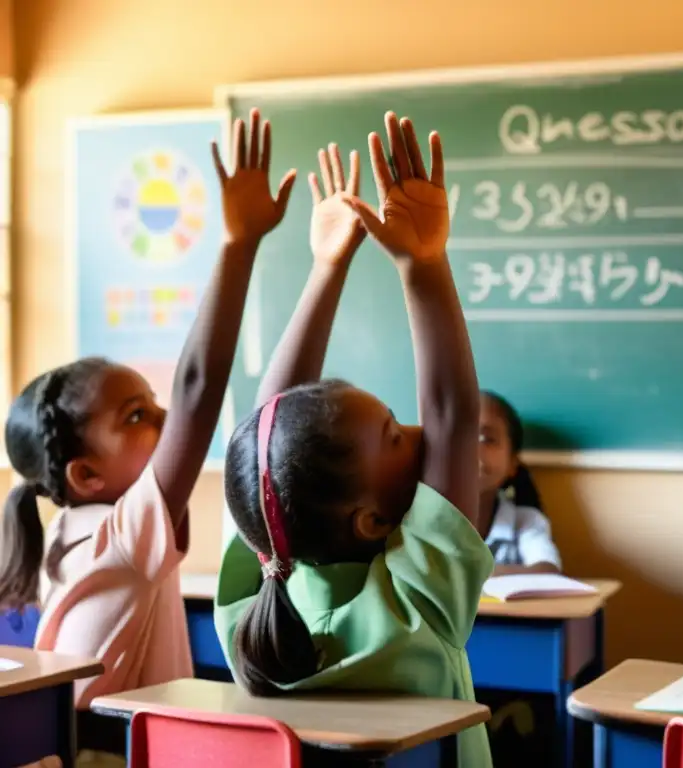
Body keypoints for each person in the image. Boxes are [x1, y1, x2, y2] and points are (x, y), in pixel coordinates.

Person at [0, 109, 294, 761]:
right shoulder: (116, 536)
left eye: (154, 405)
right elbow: (199, 390)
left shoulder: (76, 527)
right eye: (136, 416)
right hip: (102, 752)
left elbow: (244, 410)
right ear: (85, 475)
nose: (166, 422)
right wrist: (237, 244)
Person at [214, 114, 493, 768]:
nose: (422, 433)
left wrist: (326, 266)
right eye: (396, 437)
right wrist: (423, 264)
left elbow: (266, 445)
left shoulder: (249, 610)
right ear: (369, 520)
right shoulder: (417, 608)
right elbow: (455, 413)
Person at [477, 391, 560, 574]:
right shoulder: (420, 520)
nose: (471, 447)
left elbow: (547, 570)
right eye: (457, 436)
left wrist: (468, 578)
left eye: (486, 439)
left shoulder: (525, 522)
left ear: (512, 462)